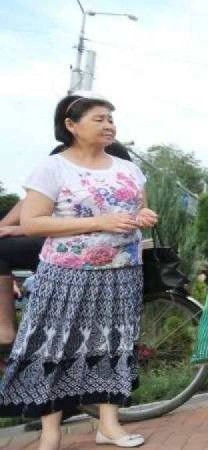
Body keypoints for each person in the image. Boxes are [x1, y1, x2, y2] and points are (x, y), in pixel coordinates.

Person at [0, 93, 156, 449]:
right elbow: (34, 222)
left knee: (114, 344)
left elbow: (138, 211)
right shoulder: (53, 167)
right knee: (54, 346)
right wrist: (99, 221)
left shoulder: (129, 169)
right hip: (67, 273)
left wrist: (143, 217)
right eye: (99, 119)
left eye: (111, 119)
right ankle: (51, 433)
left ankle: (109, 425)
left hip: (122, 271)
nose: (109, 125)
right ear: (71, 125)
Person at [0, 142, 134, 359]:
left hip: (92, 243)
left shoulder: (113, 156)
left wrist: (22, 227)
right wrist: (7, 227)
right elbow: (36, 197)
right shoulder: (63, 155)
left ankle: (6, 334)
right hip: (64, 237)